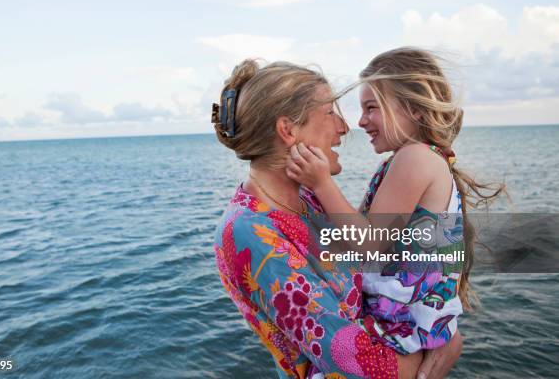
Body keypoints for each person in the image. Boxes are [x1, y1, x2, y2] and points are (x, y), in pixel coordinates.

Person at [212, 58, 462, 379]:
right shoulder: (249, 231)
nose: (344, 128)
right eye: (331, 113)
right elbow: (353, 361)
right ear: (288, 131)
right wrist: (439, 352)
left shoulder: (307, 199)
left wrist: (440, 328)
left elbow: (370, 261)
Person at [285, 47, 504, 356]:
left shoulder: (414, 159)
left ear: (413, 108)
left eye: (371, 107)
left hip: (397, 330)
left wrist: (321, 183)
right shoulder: (410, 160)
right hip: (402, 326)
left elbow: (369, 243)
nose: (360, 121)